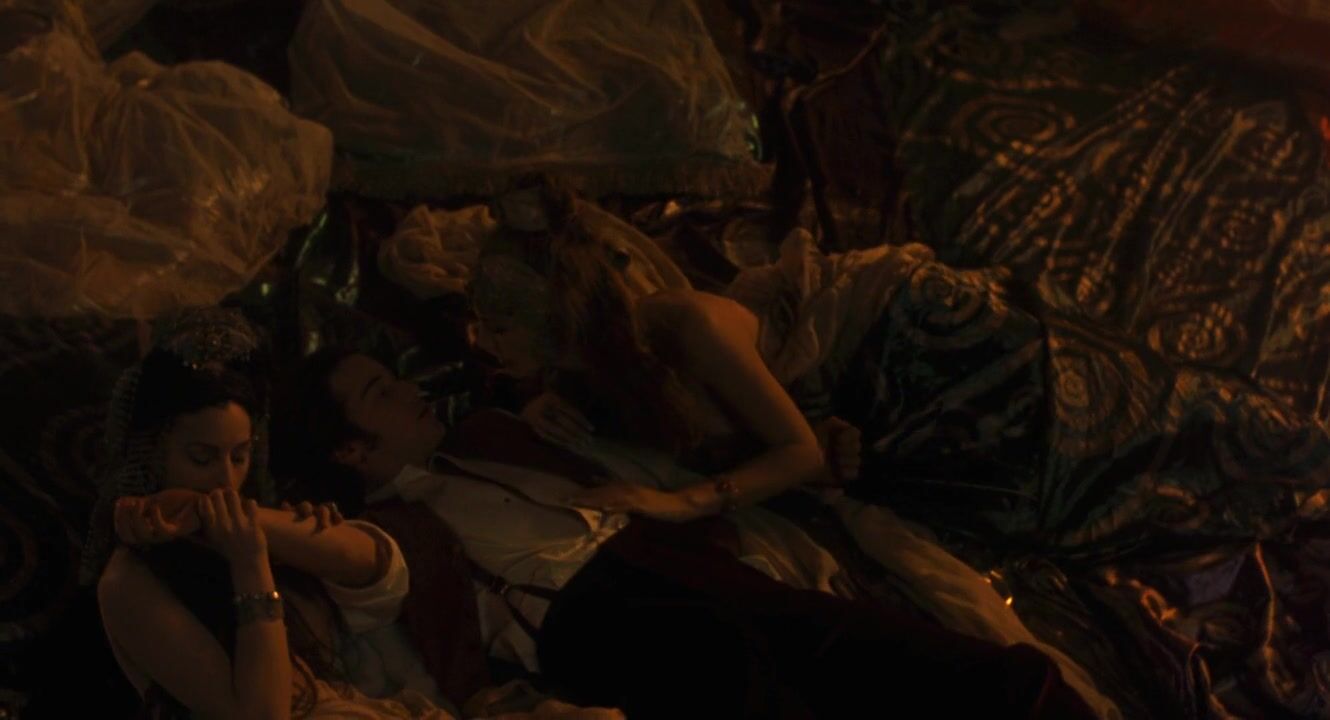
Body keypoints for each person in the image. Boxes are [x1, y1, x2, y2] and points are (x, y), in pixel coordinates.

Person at [275, 347, 1100, 720]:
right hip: (596, 620)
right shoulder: (389, 527)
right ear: (351, 450)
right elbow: (376, 576)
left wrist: (531, 399)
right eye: (381, 394)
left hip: (660, 558)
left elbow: (584, 396)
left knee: (875, 649)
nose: (409, 392)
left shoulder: (485, 433)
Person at [83, 308, 617, 720]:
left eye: (239, 456)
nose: (224, 481)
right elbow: (263, 715)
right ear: (154, 454)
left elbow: (379, 578)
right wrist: (249, 562)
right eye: (202, 459)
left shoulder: (261, 523)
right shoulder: (130, 581)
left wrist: (260, 530)